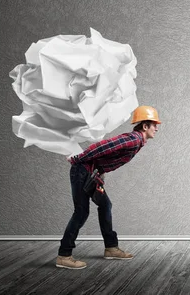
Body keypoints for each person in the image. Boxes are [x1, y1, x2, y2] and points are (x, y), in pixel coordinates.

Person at [56, 105, 161, 270]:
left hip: (90, 173)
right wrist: (79, 158)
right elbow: (104, 146)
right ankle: (64, 255)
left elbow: (107, 157)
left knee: (105, 205)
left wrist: (99, 174)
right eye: (154, 124)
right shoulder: (134, 139)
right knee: (81, 212)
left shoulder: (138, 142)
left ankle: (111, 248)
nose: (157, 128)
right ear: (145, 126)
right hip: (82, 170)